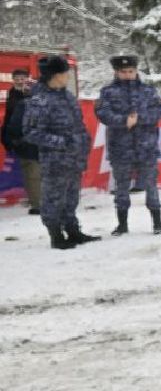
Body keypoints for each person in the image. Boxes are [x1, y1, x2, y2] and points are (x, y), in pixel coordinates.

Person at [22, 55, 101, 249]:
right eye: (65, 73)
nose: (68, 76)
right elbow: (30, 133)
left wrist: (83, 141)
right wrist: (62, 142)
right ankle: (56, 235)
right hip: (55, 160)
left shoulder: (67, 96)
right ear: (55, 76)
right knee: (53, 198)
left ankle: (73, 231)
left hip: (74, 158)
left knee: (71, 197)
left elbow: (78, 123)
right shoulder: (40, 100)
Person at [95, 55, 161, 235]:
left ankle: (157, 222)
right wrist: (123, 121)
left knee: (151, 185)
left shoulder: (148, 90)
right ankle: (122, 224)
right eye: (123, 72)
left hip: (147, 146)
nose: (127, 75)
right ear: (116, 72)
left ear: (136, 71)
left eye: (131, 71)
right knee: (121, 186)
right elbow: (102, 113)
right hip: (121, 146)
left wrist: (140, 119)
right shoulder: (108, 92)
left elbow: (159, 110)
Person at [2, 67, 43, 214]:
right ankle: (36, 200)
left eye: (22, 78)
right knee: (29, 171)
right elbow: (9, 117)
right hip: (19, 137)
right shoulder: (12, 94)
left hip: (31, 137)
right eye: (17, 79)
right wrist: (7, 136)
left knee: (34, 170)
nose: (20, 81)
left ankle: (38, 202)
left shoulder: (33, 95)